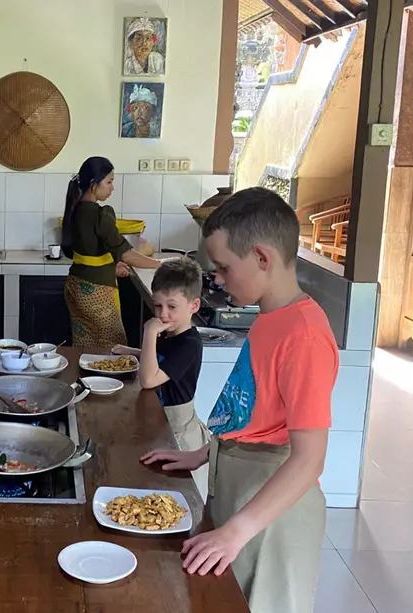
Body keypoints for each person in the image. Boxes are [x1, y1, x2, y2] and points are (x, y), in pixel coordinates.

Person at [141, 187, 337, 613]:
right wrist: (202, 452)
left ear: (262, 258)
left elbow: (309, 459)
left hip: (274, 514)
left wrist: (236, 531)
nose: (218, 279)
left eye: (224, 268)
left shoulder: (303, 334)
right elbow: (255, 414)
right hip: (239, 487)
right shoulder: (270, 318)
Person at [112, 258, 210, 494]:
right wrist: (132, 352)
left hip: (178, 431)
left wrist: (149, 331)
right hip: (159, 422)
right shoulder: (172, 334)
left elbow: (149, 379)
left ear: (194, 306)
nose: (163, 314)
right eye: (157, 306)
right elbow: (160, 358)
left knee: (176, 491)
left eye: (172, 307)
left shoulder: (189, 344)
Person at [61, 156, 161, 348]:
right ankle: (108, 379)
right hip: (96, 293)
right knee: (113, 347)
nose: (112, 188)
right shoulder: (100, 214)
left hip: (75, 287)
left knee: (85, 346)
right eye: (109, 182)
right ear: (93, 184)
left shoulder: (75, 209)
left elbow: (87, 253)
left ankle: (86, 379)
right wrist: (162, 264)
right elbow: (127, 254)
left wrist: (111, 265)